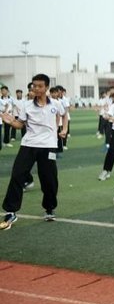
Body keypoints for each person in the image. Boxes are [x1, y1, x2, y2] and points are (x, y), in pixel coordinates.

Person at [0, 74, 68, 230]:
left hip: (48, 146)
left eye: (39, 86)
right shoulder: (27, 105)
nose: (35, 89)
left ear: (46, 88)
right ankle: (11, 211)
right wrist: (11, 121)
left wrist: (64, 129)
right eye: (33, 86)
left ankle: (49, 208)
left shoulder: (56, 104)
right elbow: (20, 124)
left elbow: (64, 116)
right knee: (17, 174)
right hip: (29, 145)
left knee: (49, 179)